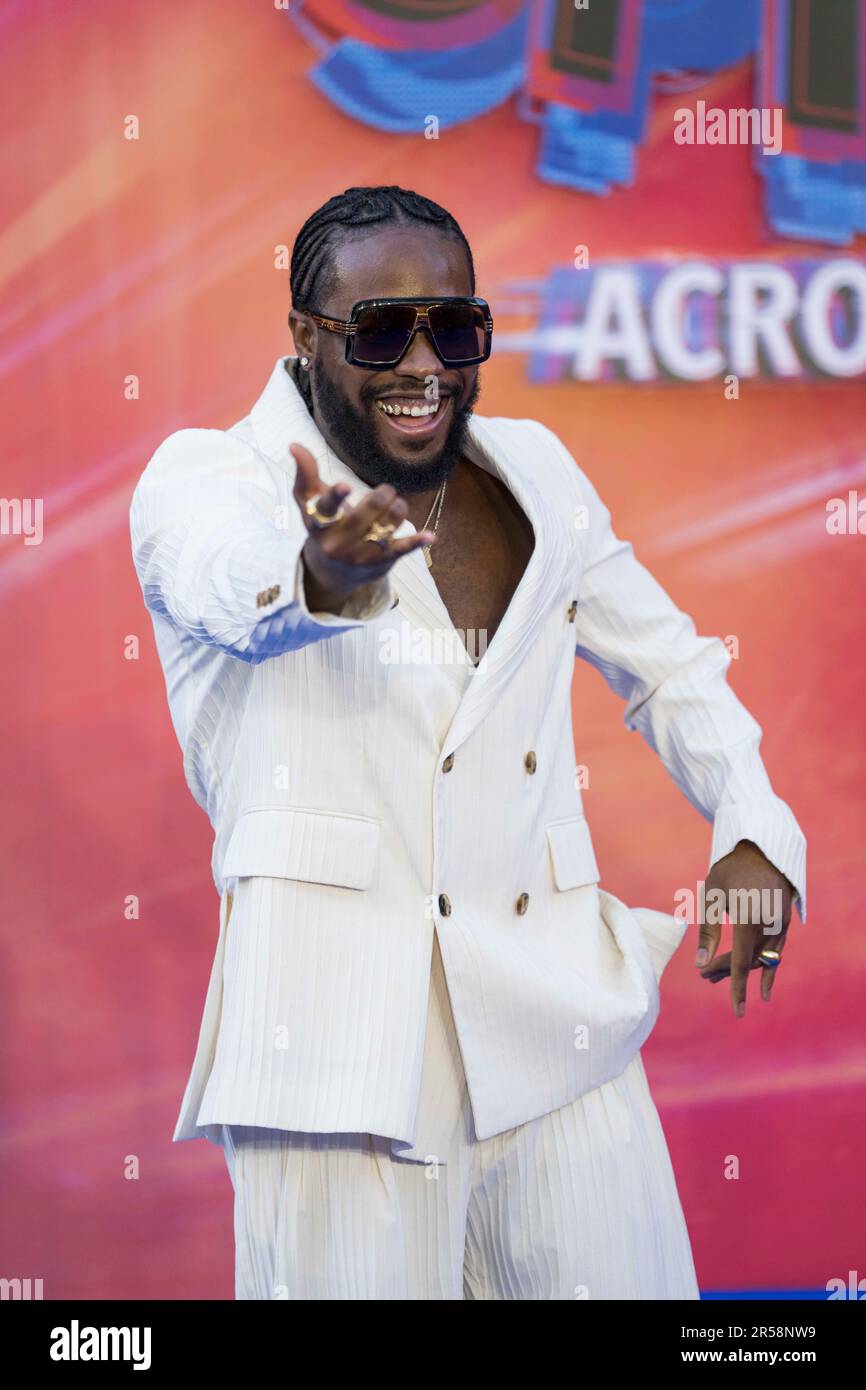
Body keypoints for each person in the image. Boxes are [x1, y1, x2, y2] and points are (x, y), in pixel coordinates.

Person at [129, 185, 806, 1301]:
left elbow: (670, 666)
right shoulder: (210, 477)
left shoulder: (535, 470)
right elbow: (230, 593)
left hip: (557, 1024)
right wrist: (322, 577)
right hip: (335, 1059)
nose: (423, 361)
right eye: (381, 329)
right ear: (304, 335)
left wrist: (752, 822)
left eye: (453, 326)